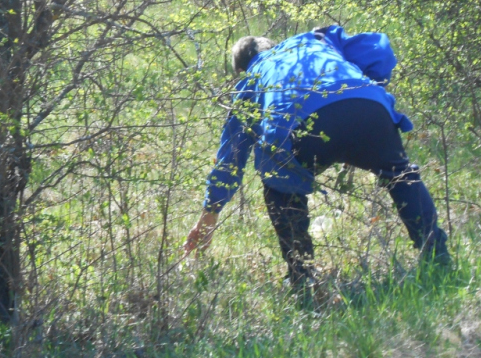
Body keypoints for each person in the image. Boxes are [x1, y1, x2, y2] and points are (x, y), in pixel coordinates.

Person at [183, 25, 451, 286]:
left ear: (241, 69)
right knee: (400, 176)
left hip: (303, 131)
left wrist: (211, 212)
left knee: (278, 183)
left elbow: (231, 157)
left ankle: (302, 278)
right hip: (369, 108)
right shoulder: (317, 39)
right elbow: (379, 48)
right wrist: (370, 90)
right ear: (274, 45)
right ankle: (438, 259)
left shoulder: (249, 82)